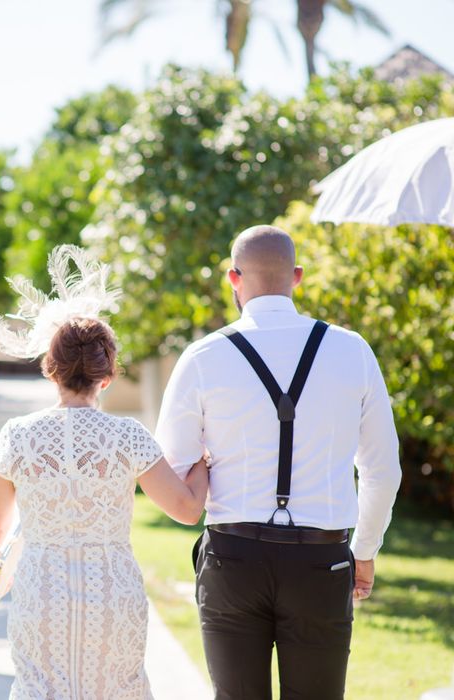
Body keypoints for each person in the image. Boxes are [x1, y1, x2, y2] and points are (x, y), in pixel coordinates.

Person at [155, 225, 402, 700]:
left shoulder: (202, 356)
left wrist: (209, 462)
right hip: (321, 560)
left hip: (232, 559)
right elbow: (382, 470)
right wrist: (365, 552)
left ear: (233, 277)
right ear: (297, 277)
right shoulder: (352, 350)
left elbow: (173, 469)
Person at [0, 245, 209, 699]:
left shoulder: (19, 435)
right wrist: (206, 458)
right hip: (112, 594)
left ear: (50, 370)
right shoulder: (128, 437)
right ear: (106, 376)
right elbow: (188, 510)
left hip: (41, 592)